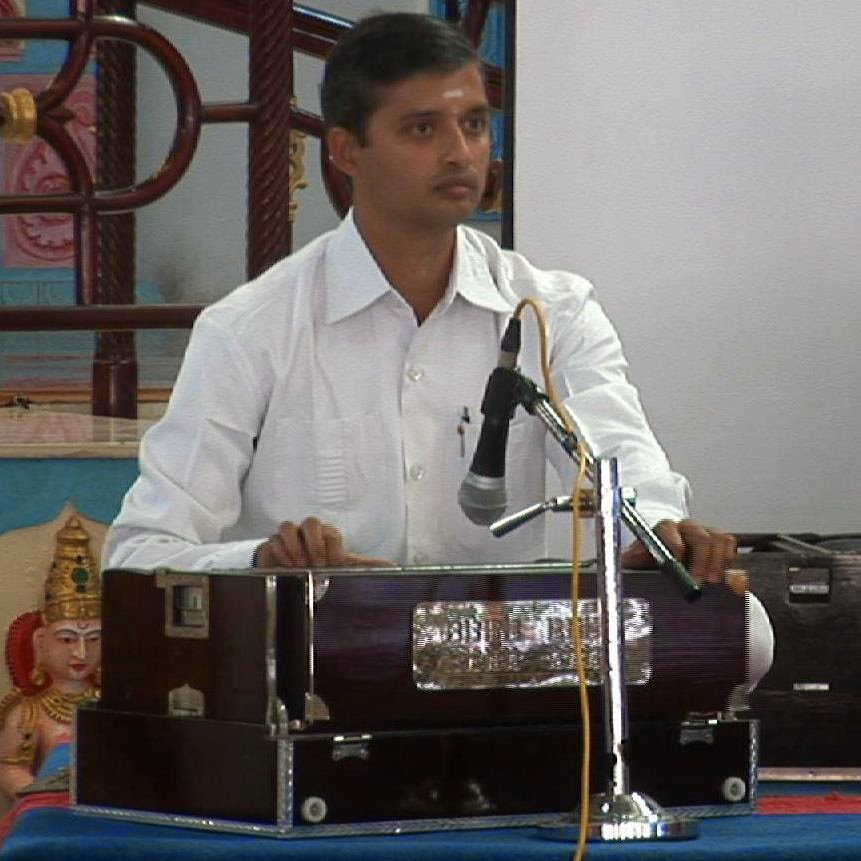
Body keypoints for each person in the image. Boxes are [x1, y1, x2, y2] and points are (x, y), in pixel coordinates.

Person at [102, 13, 738, 584]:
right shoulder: (250, 330)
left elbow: (623, 464)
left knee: (749, 630)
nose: (460, 153)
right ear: (346, 150)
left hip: (501, 657)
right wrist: (261, 563)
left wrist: (661, 533)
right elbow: (139, 553)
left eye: (474, 125)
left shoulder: (552, 312)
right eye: (422, 129)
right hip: (323, 662)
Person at [0, 517, 101, 798]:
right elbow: (9, 768)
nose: (81, 652)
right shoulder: (29, 713)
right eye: (67, 639)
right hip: (48, 810)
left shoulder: (111, 706)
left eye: (93, 639)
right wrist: (42, 799)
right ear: (40, 642)